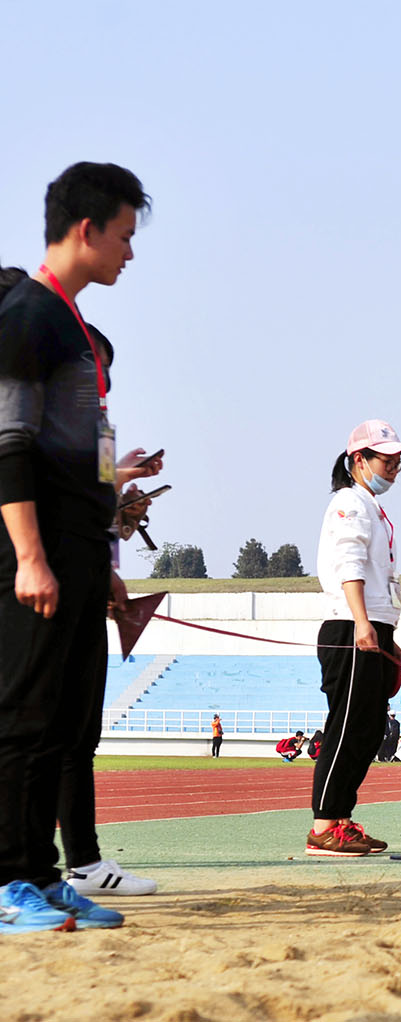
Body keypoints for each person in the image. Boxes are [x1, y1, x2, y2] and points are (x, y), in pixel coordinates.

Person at [0, 163, 156, 930]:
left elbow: (87, 460)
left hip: (79, 554)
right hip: (37, 556)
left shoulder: (77, 329)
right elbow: (11, 443)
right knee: (25, 719)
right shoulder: (29, 314)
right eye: (125, 236)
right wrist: (30, 556)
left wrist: (102, 567)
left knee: (63, 723)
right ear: (86, 229)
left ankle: (42, 874)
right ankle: (6, 883)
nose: (130, 252)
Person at [307, 419, 401, 857]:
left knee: (369, 731)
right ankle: (323, 825)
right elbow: (349, 564)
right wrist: (362, 622)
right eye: (385, 459)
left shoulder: (370, 505)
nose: (393, 467)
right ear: (358, 459)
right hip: (352, 626)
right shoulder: (350, 502)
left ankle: (342, 819)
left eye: (397, 462)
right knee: (347, 726)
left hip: (373, 627)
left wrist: (387, 634)